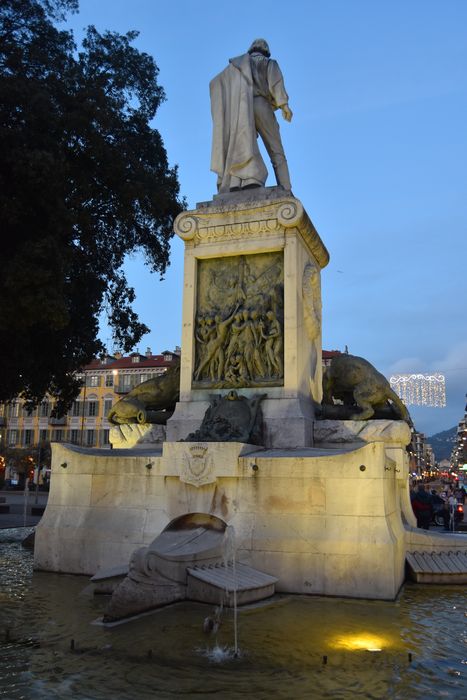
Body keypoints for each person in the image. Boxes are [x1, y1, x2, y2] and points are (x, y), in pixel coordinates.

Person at [210, 39, 293, 193]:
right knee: (275, 149)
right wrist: (284, 105)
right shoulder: (269, 63)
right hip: (261, 105)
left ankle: (237, 181)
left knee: (241, 144)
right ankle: (286, 188)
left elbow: (216, 83)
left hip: (241, 107)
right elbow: (276, 83)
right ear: (266, 50)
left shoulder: (236, 67)